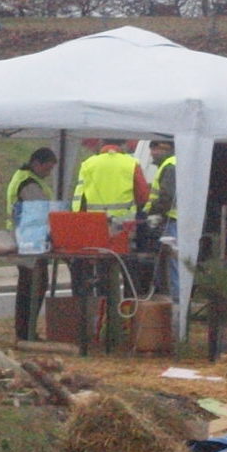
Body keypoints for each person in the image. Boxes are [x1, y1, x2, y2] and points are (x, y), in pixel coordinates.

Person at [70, 138, 149, 340]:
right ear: (122, 146)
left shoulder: (88, 164)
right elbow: (142, 196)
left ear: (102, 145)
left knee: (102, 274)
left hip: (96, 227)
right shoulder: (131, 163)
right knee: (129, 275)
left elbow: (79, 201)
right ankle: (129, 324)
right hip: (124, 228)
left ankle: (103, 325)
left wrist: (80, 227)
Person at [6, 147, 58, 341]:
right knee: (33, 287)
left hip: (26, 239)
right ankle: (26, 332)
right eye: (47, 168)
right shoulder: (29, 183)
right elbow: (41, 211)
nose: (49, 173)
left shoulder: (24, 178)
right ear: (36, 163)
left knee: (29, 286)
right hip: (30, 241)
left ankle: (26, 331)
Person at [145, 140, 179, 296]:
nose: (152, 153)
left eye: (155, 149)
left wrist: (153, 212)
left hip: (173, 221)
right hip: (174, 220)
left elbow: (167, 197)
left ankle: (175, 302)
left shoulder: (170, 166)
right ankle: (170, 299)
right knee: (170, 264)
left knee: (174, 264)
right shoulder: (172, 164)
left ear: (167, 148)